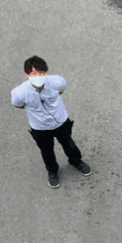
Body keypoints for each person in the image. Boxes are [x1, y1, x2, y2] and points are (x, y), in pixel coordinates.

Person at [11, 56, 91, 189]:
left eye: (41, 72)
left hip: (61, 121)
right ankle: (52, 171)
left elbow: (61, 90)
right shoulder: (19, 93)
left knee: (69, 144)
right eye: (33, 73)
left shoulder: (57, 81)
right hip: (40, 128)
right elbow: (18, 104)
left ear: (46, 71)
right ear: (27, 74)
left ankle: (76, 161)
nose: (38, 76)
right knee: (46, 151)